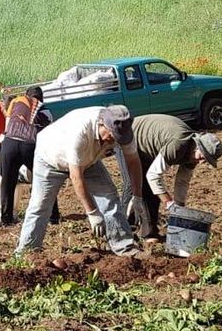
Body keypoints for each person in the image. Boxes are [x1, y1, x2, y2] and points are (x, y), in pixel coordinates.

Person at [15, 105, 145, 257]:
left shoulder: (124, 131)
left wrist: (137, 196)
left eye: (118, 137)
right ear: (102, 123)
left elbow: (133, 162)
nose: (114, 141)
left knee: (109, 196)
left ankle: (124, 247)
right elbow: (76, 176)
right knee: (40, 206)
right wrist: (92, 213)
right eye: (111, 135)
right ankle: (27, 252)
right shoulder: (80, 131)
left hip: (88, 159)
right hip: (50, 158)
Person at [131, 114, 222, 242]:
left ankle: (149, 233)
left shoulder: (193, 155)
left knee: (153, 192)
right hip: (132, 137)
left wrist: (179, 209)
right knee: (134, 187)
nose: (202, 162)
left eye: (206, 160)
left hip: (151, 147)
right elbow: (153, 176)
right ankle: (125, 233)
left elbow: (182, 181)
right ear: (197, 146)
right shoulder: (178, 145)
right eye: (202, 157)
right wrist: (169, 203)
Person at [0, 86, 60, 226]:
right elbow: (46, 134)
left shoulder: (16, 102)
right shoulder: (45, 110)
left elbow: (7, 126)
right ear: (41, 98)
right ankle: (53, 216)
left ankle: (6, 219)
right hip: (30, 145)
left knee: (8, 182)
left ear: (26, 95)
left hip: (10, 144)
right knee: (44, 179)